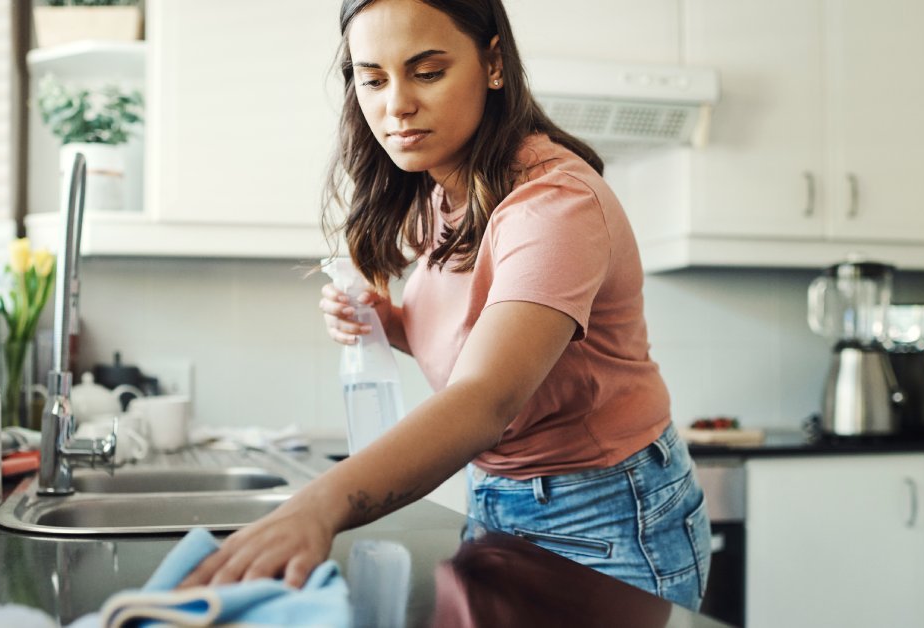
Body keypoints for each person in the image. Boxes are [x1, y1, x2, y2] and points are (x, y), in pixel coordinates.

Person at [181, 0, 711, 610]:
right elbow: (483, 335)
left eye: (426, 72)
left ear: (492, 64)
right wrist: (394, 325)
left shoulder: (554, 204)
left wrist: (318, 507)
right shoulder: (445, 194)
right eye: (372, 79)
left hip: (604, 512)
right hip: (498, 491)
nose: (395, 104)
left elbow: (486, 396)